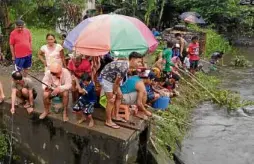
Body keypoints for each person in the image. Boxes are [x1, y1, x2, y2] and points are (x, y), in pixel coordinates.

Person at [100, 52, 143, 129]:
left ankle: (115, 116)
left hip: (113, 78)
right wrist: (114, 93)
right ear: (132, 60)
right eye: (139, 61)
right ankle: (108, 121)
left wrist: (116, 92)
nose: (140, 64)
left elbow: (117, 81)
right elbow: (116, 83)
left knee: (119, 96)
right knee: (111, 100)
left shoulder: (126, 65)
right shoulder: (124, 67)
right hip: (106, 79)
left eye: (140, 62)